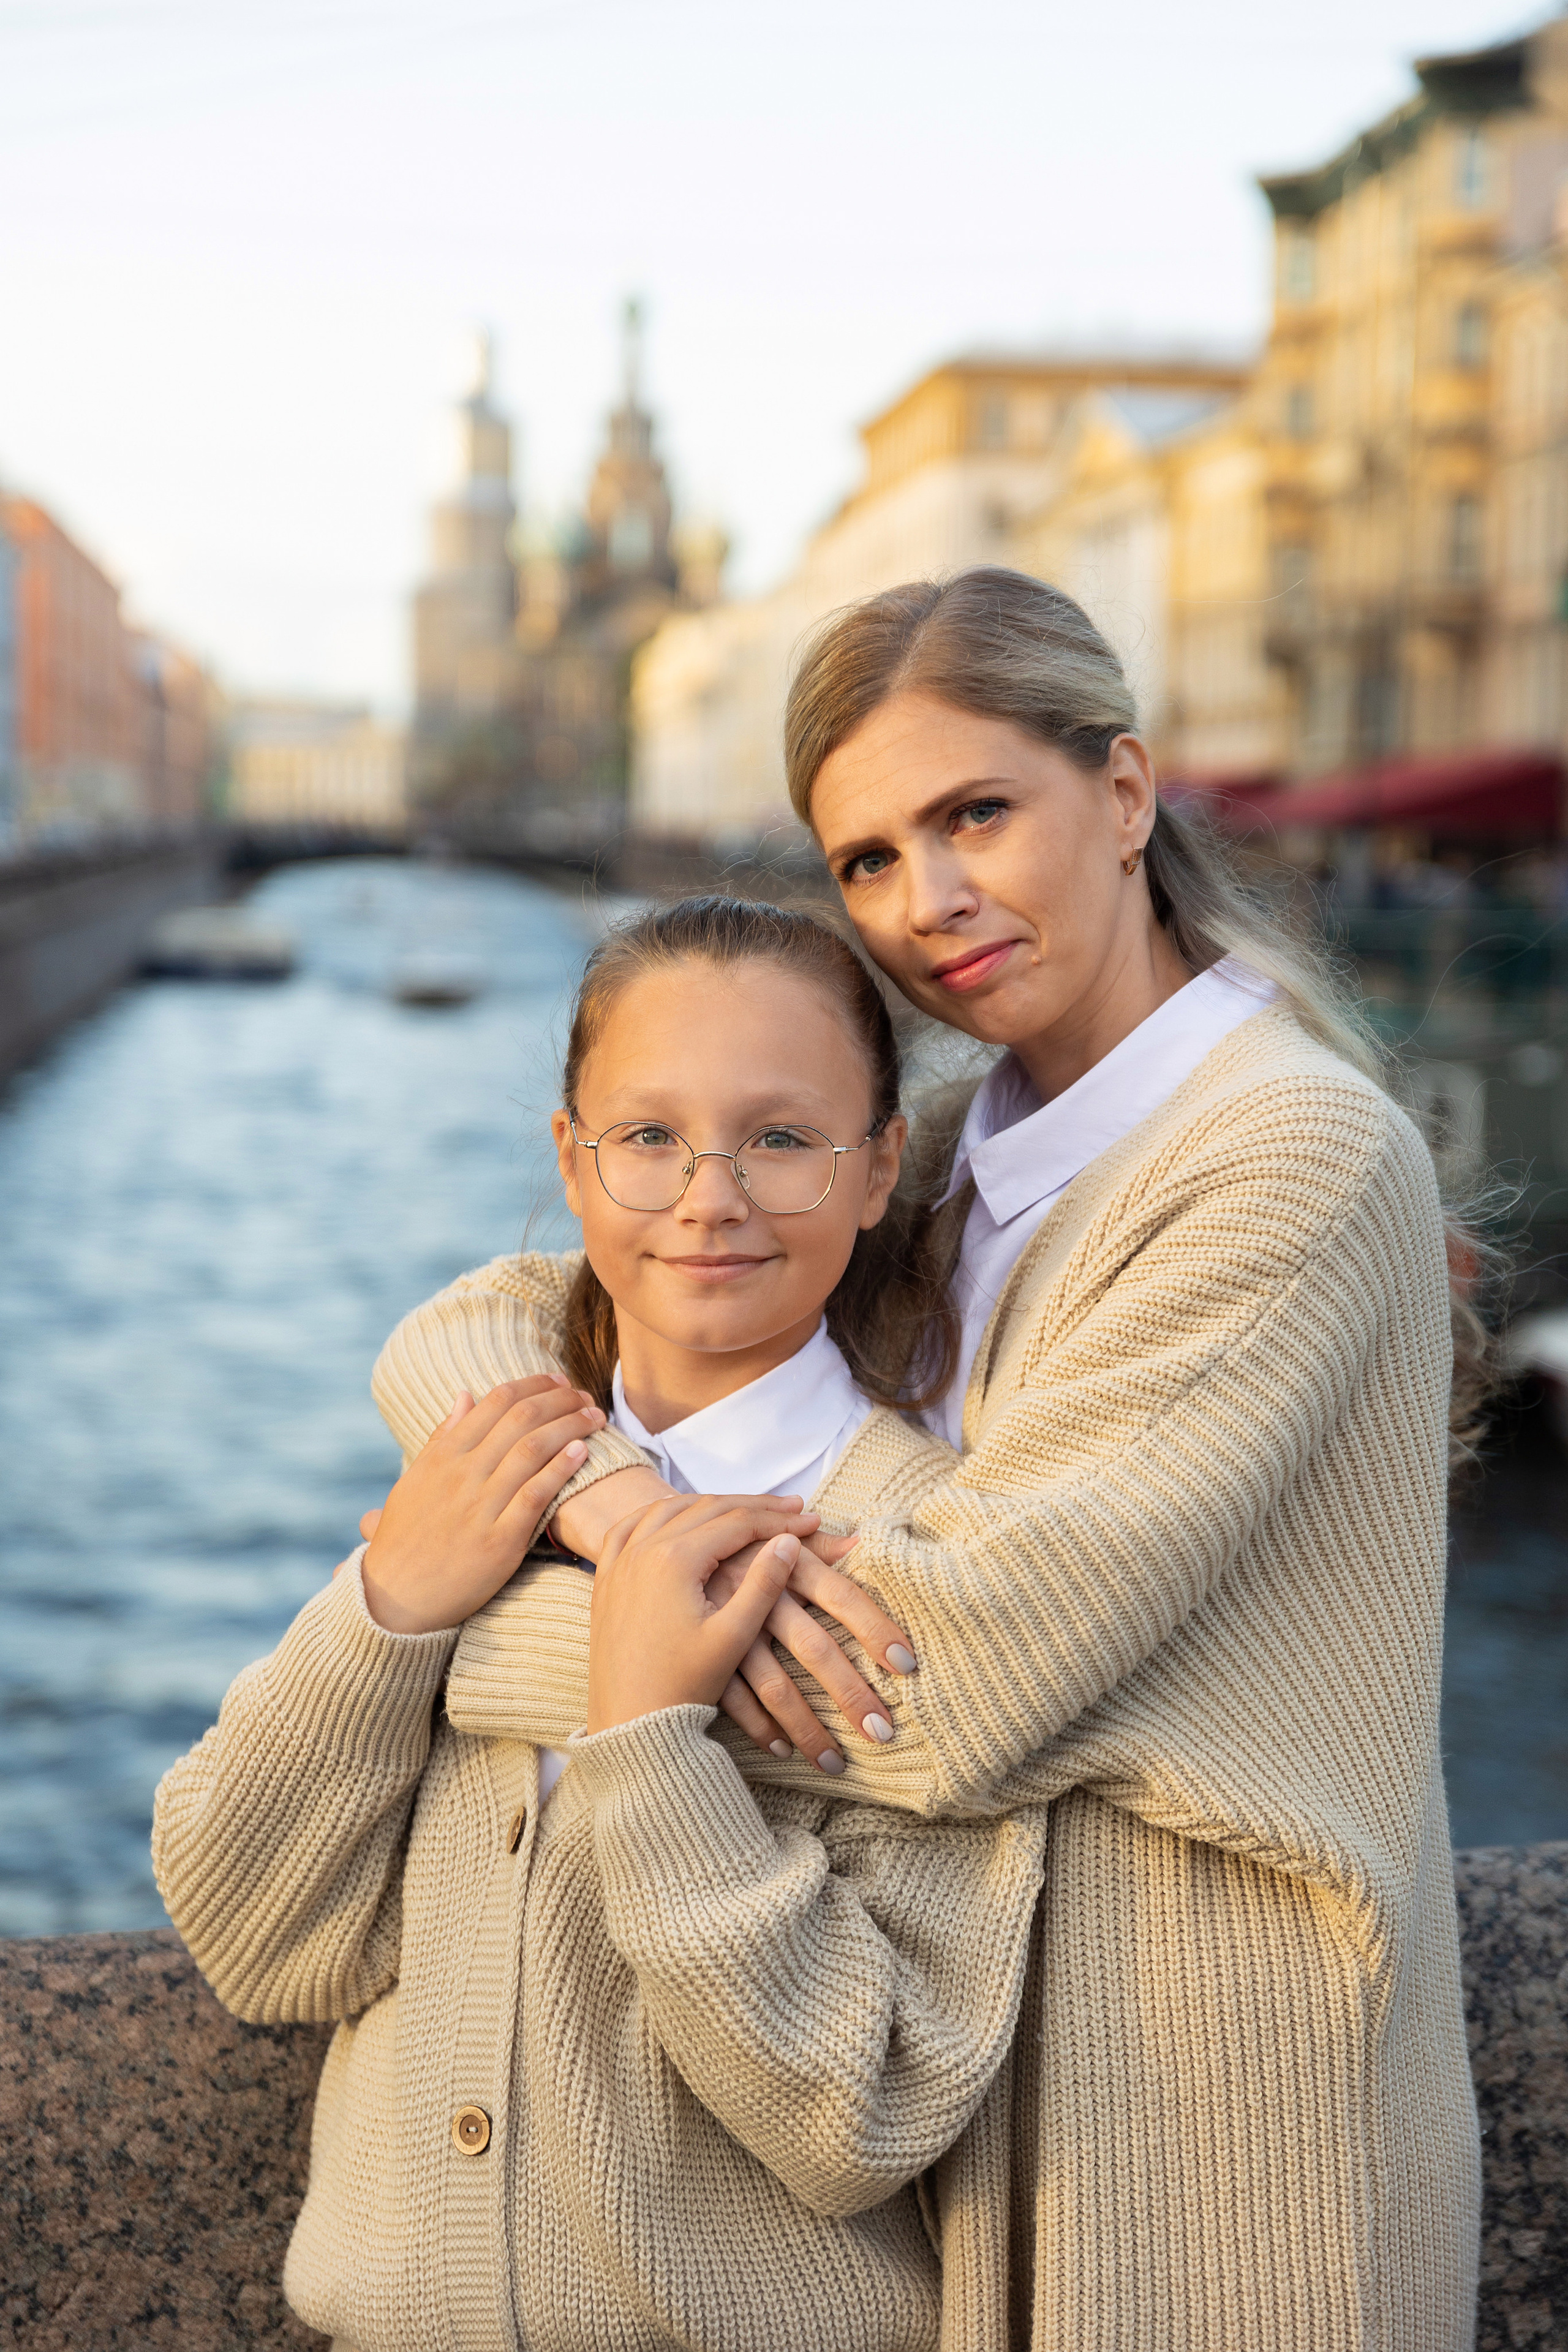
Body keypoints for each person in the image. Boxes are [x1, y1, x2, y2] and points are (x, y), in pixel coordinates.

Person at [383, 568, 1485, 2350]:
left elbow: (952, 1677)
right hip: (986, 2113)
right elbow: (483, 1319)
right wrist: (611, 1502)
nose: (930, 904)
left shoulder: (1284, 1157)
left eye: (977, 813)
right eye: (869, 859)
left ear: (1123, 799)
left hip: (1222, 2137)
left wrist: (430, 1633)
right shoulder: (972, 1153)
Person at [153, 897, 1050, 2352]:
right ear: (570, 1162)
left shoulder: (917, 1557)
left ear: (879, 1163)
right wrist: (387, 1615)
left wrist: (649, 1749)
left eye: (781, 1138)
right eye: (647, 1139)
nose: (710, 1197)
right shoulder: (480, 1484)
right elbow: (258, 1944)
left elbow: (861, 2111)